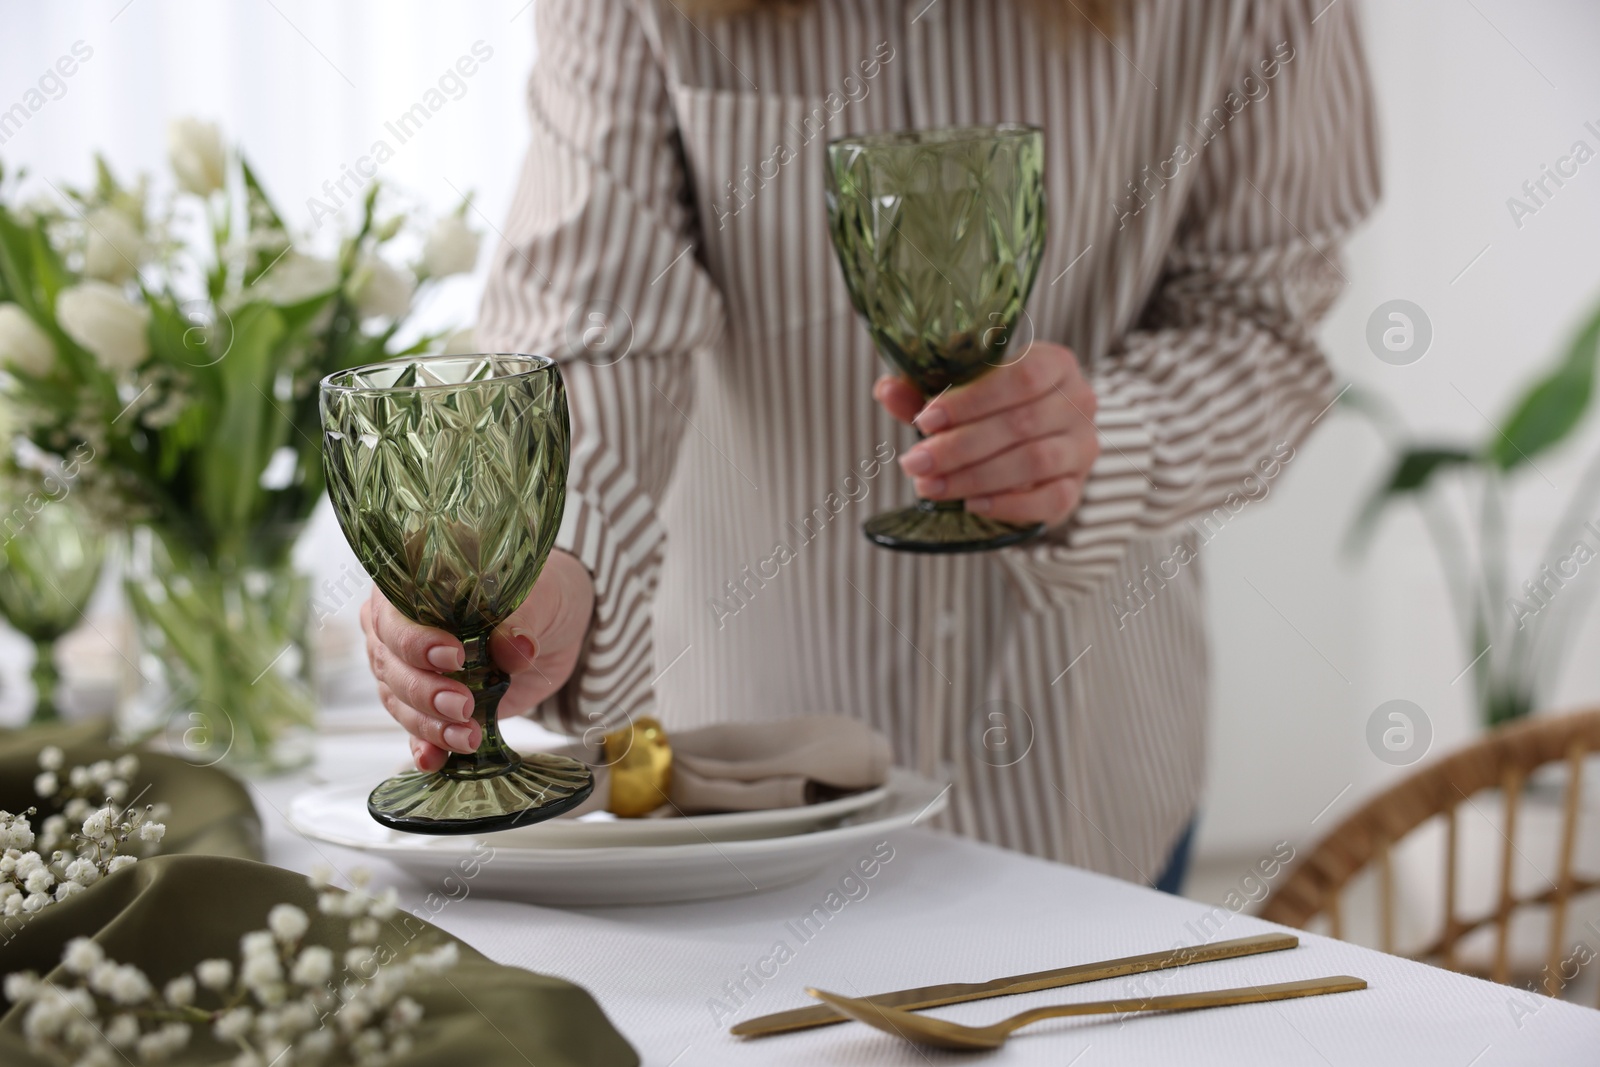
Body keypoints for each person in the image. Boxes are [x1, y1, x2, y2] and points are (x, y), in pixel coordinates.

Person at [359, 0, 1379, 892]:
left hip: (1096, 791)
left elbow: (1264, 322)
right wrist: (546, 560)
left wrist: (1106, 441)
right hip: (743, 816)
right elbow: (596, 331)